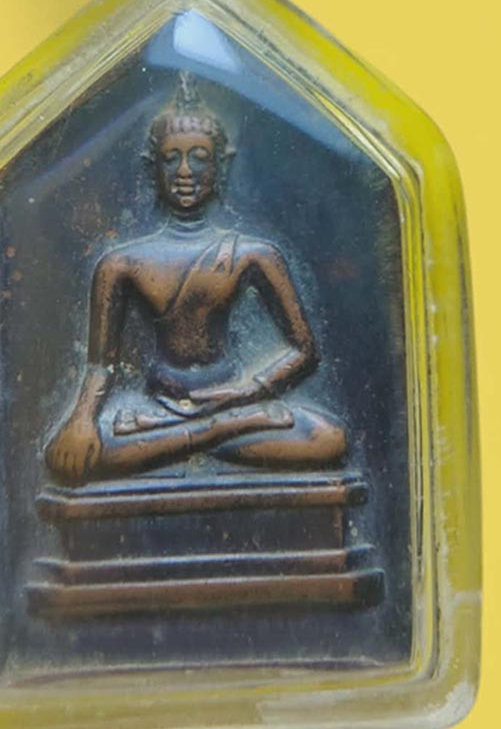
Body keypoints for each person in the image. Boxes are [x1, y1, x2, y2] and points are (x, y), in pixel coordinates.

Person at [45, 73, 346, 485]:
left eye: (200, 157)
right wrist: (81, 420)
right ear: (152, 168)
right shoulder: (121, 263)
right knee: (67, 456)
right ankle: (209, 435)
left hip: (232, 403)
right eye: (171, 159)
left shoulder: (253, 254)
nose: (185, 171)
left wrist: (245, 392)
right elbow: (101, 365)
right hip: (158, 407)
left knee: (328, 438)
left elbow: (304, 350)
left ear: (222, 164)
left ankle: (192, 437)